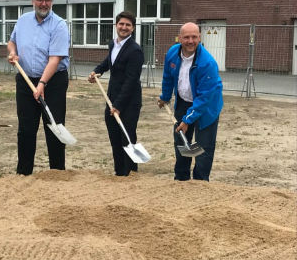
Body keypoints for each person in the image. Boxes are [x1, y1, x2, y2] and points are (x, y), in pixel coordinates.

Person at [7, 0, 70, 175]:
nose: (44, 4)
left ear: (51, 2)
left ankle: (57, 172)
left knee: (53, 125)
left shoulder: (59, 25)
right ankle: (24, 172)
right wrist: (12, 54)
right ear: (33, 1)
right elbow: (12, 42)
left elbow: (55, 59)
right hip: (26, 81)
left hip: (53, 83)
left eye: (47, 0)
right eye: (40, 0)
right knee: (26, 128)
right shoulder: (23, 20)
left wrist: (42, 84)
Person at [157, 22, 223, 181]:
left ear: (199, 38)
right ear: (180, 38)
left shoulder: (207, 63)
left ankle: (200, 182)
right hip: (183, 102)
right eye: (186, 37)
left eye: (194, 37)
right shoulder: (173, 53)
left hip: (206, 107)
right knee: (181, 141)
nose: (190, 41)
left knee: (203, 147)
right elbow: (168, 77)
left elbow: (204, 97)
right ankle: (181, 178)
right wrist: (165, 96)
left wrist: (187, 120)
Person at [88, 11, 144, 176]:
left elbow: (131, 80)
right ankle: (119, 171)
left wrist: (118, 106)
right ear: (116, 26)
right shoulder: (114, 45)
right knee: (114, 137)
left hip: (129, 102)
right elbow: (108, 62)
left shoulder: (135, 50)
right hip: (111, 98)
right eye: (121, 24)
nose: (124, 27)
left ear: (132, 28)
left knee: (127, 137)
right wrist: (97, 71)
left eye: (128, 25)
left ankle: (130, 172)